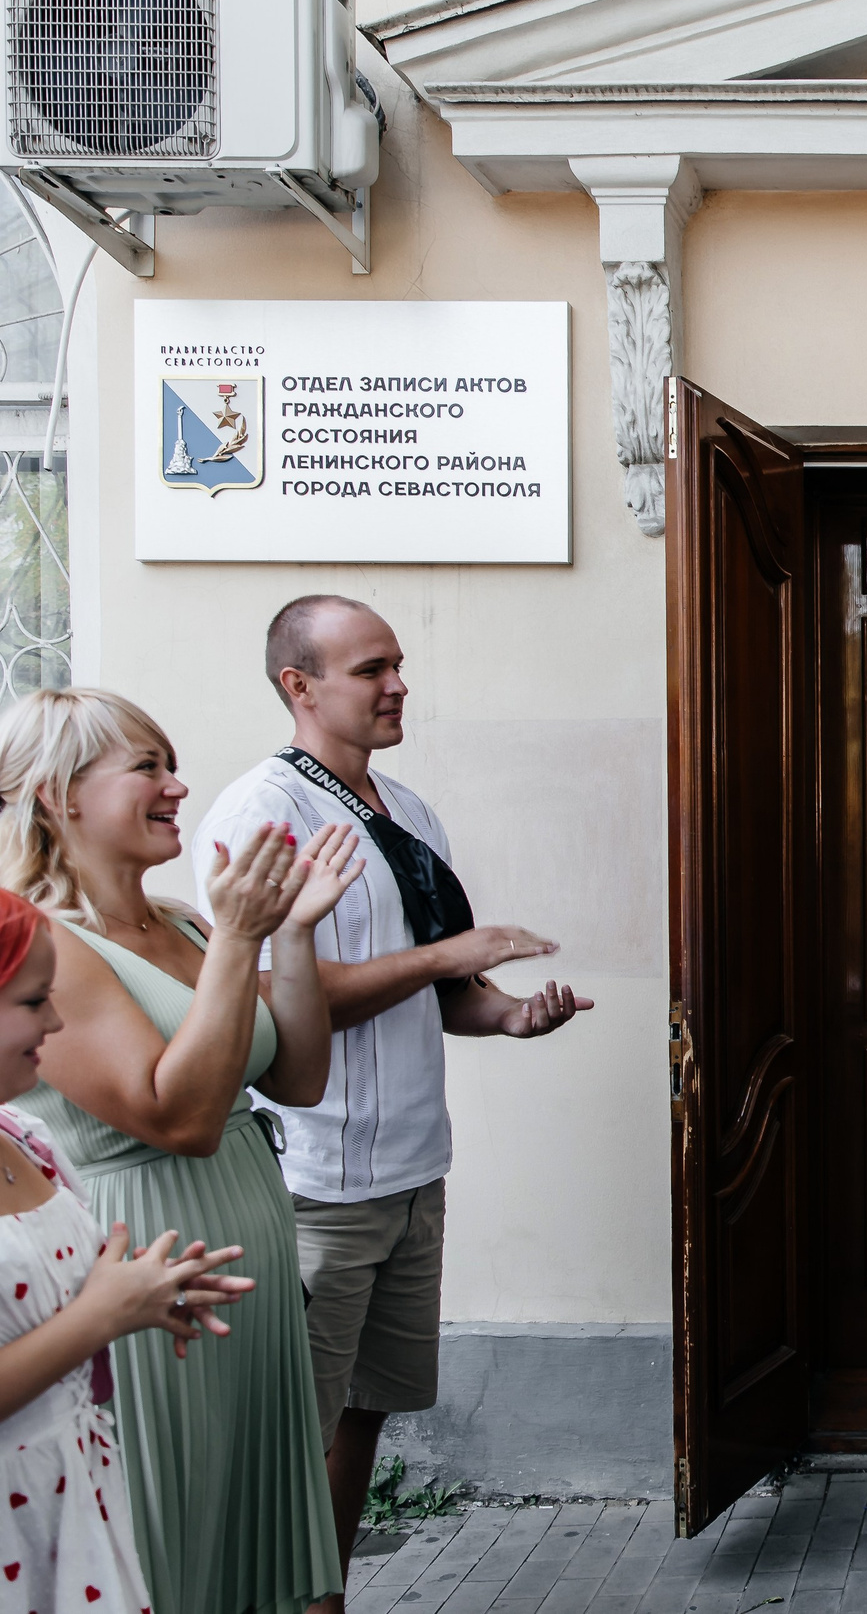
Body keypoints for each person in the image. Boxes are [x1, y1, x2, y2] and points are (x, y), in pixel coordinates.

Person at [193, 595, 590, 1613]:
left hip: (415, 1168)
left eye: (397, 663)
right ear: (300, 685)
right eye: (370, 668)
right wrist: (449, 955)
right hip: (319, 1178)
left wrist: (504, 1014)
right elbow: (273, 996)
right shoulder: (259, 814)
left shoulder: (408, 810)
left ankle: (325, 1599)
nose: (397, 682)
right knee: (297, 1426)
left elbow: (437, 991)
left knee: (365, 1413)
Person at [0, 687, 364, 1614]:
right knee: (177, 1537)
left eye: (170, 763)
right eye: (147, 767)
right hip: (152, 1257)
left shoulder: (189, 925)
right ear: (58, 796)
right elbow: (183, 1117)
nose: (177, 785)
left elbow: (297, 1079)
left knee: (262, 1540)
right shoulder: (55, 944)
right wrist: (246, 935)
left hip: (253, 1253)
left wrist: (289, 930)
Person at [0, 884, 261, 1614]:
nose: (55, 1019)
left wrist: (147, 1293)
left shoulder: (28, 1137)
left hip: (73, 1501)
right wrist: (100, 1317)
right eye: (30, 1001)